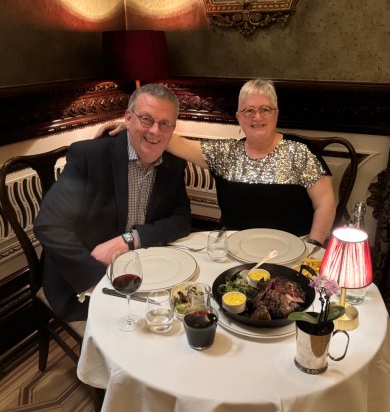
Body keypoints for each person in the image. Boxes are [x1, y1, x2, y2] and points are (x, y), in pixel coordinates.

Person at [98, 79, 335, 246]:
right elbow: (174, 141)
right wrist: (131, 126)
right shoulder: (225, 153)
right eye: (249, 111)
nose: (257, 117)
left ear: (276, 114)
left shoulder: (299, 152)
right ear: (239, 117)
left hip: (292, 251)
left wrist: (312, 248)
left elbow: (325, 204)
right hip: (235, 250)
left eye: (265, 109)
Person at [34, 83, 192, 322]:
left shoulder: (174, 163)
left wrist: (130, 239)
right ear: (128, 118)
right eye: (146, 119)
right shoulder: (89, 157)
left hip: (145, 271)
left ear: (173, 128)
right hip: (87, 277)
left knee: (182, 313)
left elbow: (181, 220)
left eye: (165, 124)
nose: (155, 131)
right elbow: (49, 225)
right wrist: (98, 279)